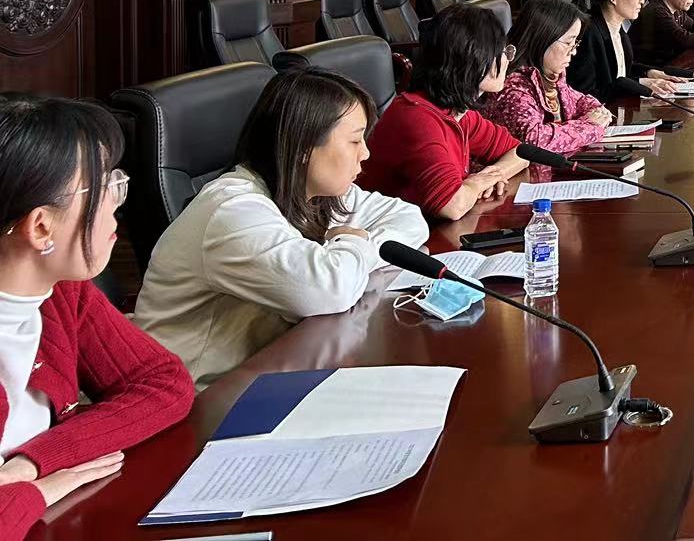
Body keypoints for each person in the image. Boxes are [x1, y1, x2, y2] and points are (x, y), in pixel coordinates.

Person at [134, 69, 429, 388]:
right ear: (303, 148)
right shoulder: (232, 211)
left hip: (267, 372)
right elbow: (329, 290)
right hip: (194, 398)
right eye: (355, 140)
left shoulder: (312, 191)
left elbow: (409, 219)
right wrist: (350, 243)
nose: (366, 153)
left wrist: (358, 248)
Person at [0, 95, 193, 536]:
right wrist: (40, 492)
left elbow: (165, 382)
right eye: (103, 188)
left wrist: (35, 462)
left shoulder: (61, 293)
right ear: (41, 226)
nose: (115, 205)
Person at [359, 3, 528, 220]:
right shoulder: (416, 118)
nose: (507, 59)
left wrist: (494, 175)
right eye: (501, 51)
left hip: (423, 229)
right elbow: (452, 206)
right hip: (382, 234)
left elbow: (520, 152)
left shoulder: (458, 113)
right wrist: (476, 183)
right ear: (473, 59)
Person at [484, 0, 614, 156]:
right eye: (568, 43)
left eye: (575, 43)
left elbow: (578, 100)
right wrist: (590, 127)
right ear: (543, 39)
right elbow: (534, 140)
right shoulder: (513, 86)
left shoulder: (551, 76)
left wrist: (598, 111)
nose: (573, 52)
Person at [569, 0, 683, 105]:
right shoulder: (588, 34)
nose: (642, 0)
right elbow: (584, 94)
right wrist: (639, 85)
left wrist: (648, 73)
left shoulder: (618, 27)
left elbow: (620, 71)